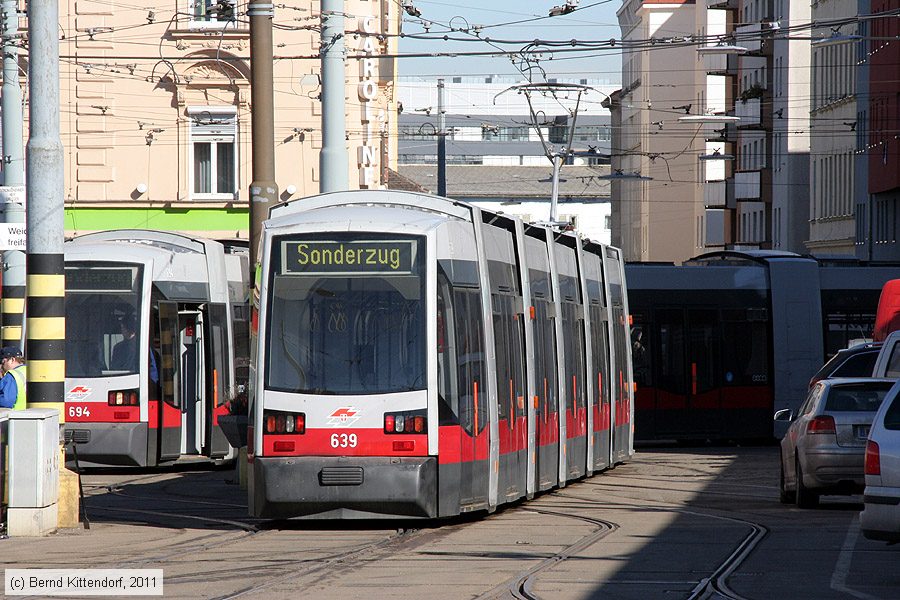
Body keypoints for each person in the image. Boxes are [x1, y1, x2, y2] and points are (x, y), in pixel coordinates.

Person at [0, 346, 26, 410]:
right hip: (33, 415)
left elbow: (6, 402)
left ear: (12, 360)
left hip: (16, 416)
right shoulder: (30, 371)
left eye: (3, 362)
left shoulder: (11, 376)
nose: (2, 366)